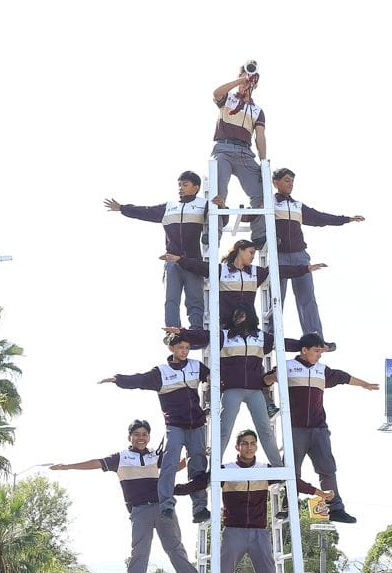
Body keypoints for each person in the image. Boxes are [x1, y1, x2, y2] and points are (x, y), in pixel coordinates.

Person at [49, 420, 207, 573]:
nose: (141, 438)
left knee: (175, 547)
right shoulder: (121, 457)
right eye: (137, 434)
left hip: (162, 506)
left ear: (149, 437)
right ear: (129, 437)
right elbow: (96, 463)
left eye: (144, 434)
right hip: (140, 511)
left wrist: (198, 454)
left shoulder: (155, 455)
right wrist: (67, 466)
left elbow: (175, 466)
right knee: (140, 552)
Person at [103, 332, 210, 523]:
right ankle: (166, 504)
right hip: (175, 425)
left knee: (198, 465)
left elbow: (215, 377)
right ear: (171, 348)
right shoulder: (161, 372)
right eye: (180, 348)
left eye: (187, 348)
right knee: (169, 462)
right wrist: (118, 379)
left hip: (197, 424)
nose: (184, 351)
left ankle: (200, 508)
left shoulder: (196, 366)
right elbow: (140, 380)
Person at [280, 332, 377, 525]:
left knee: (328, 469)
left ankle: (336, 509)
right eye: (316, 351)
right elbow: (265, 380)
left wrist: (364, 384)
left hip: (319, 429)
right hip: (295, 428)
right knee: (292, 470)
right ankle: (288, 506)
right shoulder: (287, 366)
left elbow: (343, 377)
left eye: (321, 351)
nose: (319, 355)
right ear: (304, 350)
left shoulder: (322, 370)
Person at [169, 308, 283, 464]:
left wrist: (305, 344)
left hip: (255, 390)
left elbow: (284, 342)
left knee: (266, 431)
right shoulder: (224, 335)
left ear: (250, 316)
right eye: (236, 316)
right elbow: (203, 335)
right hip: (232, 390)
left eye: (242, 315)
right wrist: (182, 332)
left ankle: (279, 467)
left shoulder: (262, 337)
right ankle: (214, 467)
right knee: (224, 430)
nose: (238, 319)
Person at [105, 171, 210, 330]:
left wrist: (223, 207)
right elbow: (145, 211)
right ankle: (173, 333)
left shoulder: (204, 205)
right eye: (179, 185)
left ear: (196, 188)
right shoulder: (169, 206)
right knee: (171, 300)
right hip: (172, 261)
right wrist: (122, 208)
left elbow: (221, 220)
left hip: (193, 262)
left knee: (195, 300)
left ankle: (196, 331)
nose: (181, 188)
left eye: (185, 185)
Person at [268, 168, 364, 338]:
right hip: (279, 256)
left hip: (299, 256)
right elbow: (251, 217)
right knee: (276, 298)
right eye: (287, 180)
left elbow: (320, 218)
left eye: (292, 181)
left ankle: (314, 338)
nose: (290, 184)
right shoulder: (269, 203)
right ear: (276, 183)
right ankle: (271, 335)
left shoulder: (297, 205)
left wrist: (347, 219)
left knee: (307, 298)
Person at [181, 431, 280, 573]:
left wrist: (315, 491)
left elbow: (291, 478)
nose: (249, 447)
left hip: (259, 532)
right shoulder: (226, 469)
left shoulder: (265, 468)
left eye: (252, 443)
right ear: (237, 446)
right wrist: (172, 490)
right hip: (233, 531)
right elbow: (200, 482)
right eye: (245, 443)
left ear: (257, 446)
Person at [209, 65, 268, 245]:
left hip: (245, 153)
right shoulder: (228, 98)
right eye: (243, 77)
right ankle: (215, 232)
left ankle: (259, 235)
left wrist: (263, 163)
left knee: (262, 192)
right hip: (224, 149)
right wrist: (240, 81)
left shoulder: (257, 110)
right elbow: (216, 93)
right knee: (218, 189)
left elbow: (260, 137)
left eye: (249, 80)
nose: (246, 82)